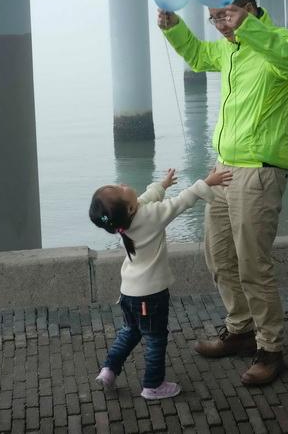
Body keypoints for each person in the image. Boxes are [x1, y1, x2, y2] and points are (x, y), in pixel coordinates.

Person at [157, 0, 288, 386]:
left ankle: (270, 348)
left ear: (248, 8)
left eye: (225, 15)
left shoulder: (279, 40)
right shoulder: (229, 48)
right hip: (223, 169)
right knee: (219, 255)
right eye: (214, 19)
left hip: (259, 170)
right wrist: (174, 27)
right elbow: (198, 55)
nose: (221, 25)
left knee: (254, 264)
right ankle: (240, 329)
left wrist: (248, 27)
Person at [90, 166, 233, 399]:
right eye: (119, 189)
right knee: (156, 338)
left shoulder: (122, 222)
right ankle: (153, 386)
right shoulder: (150, 216)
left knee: (130, 332)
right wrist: (207, 182)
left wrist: (162, 185)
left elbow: (145, 199)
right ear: (129, 208)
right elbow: (180, 202)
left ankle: (108, 370)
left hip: (129, 293)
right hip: (150, 295)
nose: (123, 184)